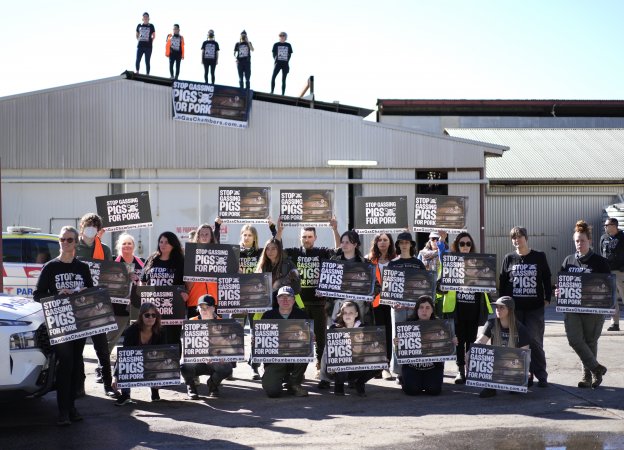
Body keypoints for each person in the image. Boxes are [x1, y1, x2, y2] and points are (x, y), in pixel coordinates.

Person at [33, 226, 94, 426]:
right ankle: (63, 411)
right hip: (59, 323)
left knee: (76, 364)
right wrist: (57, 295)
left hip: (80, 322)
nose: (65, 242)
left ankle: (72, 408)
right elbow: (37, 294)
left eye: (69, 240)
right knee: (65, 364)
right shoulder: (50, 267)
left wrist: (84, 291)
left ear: (75, 243)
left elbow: (92, 294)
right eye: (62, 239)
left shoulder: (82, 268)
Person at [276, 218, 340, 376]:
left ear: (315, 238)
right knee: (299, 338)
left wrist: (334, 229)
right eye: (304, 236)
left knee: (320, 337)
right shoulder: (294, 253)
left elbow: (339, 250)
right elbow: (276, 250)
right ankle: (299, 369)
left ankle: (320, 364)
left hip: (319, 303)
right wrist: (280, 231)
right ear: (300, 238)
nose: (307, 239)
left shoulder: (322, 252)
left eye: (310, 236)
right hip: (298, 304)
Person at [559, 220, 610, 388]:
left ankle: (587, 377)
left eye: (582, 240)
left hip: (593, 309)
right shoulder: (569, 260)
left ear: (590, 241)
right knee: (574, 339)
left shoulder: (599, 262)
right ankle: (596, 368)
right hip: (572, 308)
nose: (579, 244)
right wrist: (558, 291)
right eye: (576, 241)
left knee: (590, 341)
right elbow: (561, 282)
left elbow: (607, 286)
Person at [499, 226, 551, 388]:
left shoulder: (539, 256)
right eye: (514, 238)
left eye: (519, 237)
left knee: (535, 341)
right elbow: (503, 282)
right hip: (514, 309)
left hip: (534, 307)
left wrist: (547, 298)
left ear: (526, 238)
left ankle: (541, 375)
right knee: (515, 342)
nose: (517, 240)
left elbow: (546, 278)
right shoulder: (509, 258)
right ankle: (523, 375)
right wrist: (502, 305)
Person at [442, 232, 492, 384]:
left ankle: (471, 368)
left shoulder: (480, 262)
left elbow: (488, 285)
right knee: (459, 341)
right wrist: (442, 287)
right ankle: (460, 371)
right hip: (456, 310)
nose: (465, 246)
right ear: (457, 245)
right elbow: (439, 286)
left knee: (471, 341)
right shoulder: (450, 262)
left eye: (468, 244)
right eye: (462, 244)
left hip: (474, 310)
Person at [74, 213, 115, 397]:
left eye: (94, 226)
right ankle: (79, 385)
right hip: (78, 303)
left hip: (98, 303)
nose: (91, 229)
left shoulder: (104, 249)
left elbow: (110, 273)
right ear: (82, 227)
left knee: (102, 348)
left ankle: (107, 384)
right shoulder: (74, 247)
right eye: (88, 225)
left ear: (99, 230)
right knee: (78, 348)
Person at [388, 231, 427, 381]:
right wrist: (392, 302)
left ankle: (412, 368)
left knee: (412, 338)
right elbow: (388, 288)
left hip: (414, 308)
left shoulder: (418, 263)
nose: (404, 245)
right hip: (397, 307)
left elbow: (425, 285)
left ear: (411, 244)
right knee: (397, 338)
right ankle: (399, 372)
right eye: (401, 242)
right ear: (398, 245)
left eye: (406, 242)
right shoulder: (393, 263)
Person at [475, 296, 531, 398]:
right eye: (497, 307)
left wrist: (525, 369)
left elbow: (524, 352)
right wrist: (470, 352)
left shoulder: (520, 328)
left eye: (502, 308)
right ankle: (490, 387)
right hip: (497, 360)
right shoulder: (491, 323)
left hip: (513, 361)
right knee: (484, 357)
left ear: (510, 310)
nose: (498, 310)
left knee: (517, 389)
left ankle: (514, 382)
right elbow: (480, 341)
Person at [401, 296, 456, 396]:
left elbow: (447, 348)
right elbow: (400, 353)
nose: (424, 311)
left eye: (427, 307)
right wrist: (397, 343)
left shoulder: (441, 325)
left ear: (432, 310)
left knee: (434, 390)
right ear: (416, 310)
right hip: (412, 367)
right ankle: (404, 378)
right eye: (421, 307)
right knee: (411, 390)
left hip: (433, 367)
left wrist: (452, 341)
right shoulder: (407, 325)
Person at [113, 303, 167, 405]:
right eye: (147, 315)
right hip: (134, 363)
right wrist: (115, 376)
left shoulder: (161, 331)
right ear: (141, 317)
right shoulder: (131, 331)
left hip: (152, 363)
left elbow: (163, 354)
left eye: (153, 315)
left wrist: (161, 378)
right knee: (125, 365)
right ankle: (125, 394)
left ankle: (155, 391)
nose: (150, 317)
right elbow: (123, 356)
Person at [320, 301, 378, 396]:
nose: (348, 315)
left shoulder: (365, 328)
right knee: (342, 357)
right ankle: (339, 384)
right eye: (345, 313)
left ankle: (359, 383)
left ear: (356, 314)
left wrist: (380, 357)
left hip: (358, 367)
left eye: (351, 312)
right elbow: (328, 352)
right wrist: (329, 364)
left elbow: (373, 346)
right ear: (341, 314)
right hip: (338, 370)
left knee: (380, 363)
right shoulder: (333, 328)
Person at [260, 286, 310, 397]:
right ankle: (271, 376)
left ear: (294, 299)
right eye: (281, 297)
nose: (285, 300)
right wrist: (257, 341)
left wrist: (312, 337)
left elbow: (308, 338)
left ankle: (294, 383)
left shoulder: (302, 315)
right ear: (277, 300)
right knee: (273, 392)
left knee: (306, 349)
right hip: (275, 360)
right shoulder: (268, 315)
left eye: (288, 297)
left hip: (295, 357)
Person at [181, 295, 233, 399]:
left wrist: (219, 357)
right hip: (197, 361)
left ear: (214, 308)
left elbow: (228, 347)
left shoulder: (223, 323)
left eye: (207, 307)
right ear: (197, 309)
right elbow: (186, 347)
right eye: (201, 307)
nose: (204, 310)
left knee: (227, 367)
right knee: (184, 365)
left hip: (215, 361)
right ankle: (191, 386)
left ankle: (213, 384)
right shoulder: (191, 322)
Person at [141, 231, 187, 346]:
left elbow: (187, 283)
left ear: (173, 244)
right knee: (154, 336)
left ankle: (174, 362)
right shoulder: (152, 259)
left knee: (172, 337)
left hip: (173, 306)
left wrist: (186, 293)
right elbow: (143, 281)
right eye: (161, 242)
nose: (163, 245)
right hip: (153, 306)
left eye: (166, 242)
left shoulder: (180, 261)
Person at [108, 233, 144, 362]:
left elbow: (146, 284)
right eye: (124, 243)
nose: (127, 246)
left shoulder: (141, 263)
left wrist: (138, 280)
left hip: (136, 305)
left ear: (134, 246)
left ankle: (132, 363)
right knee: (112, 337)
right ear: (119, 246)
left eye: (129, 243)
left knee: (138, 336)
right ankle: (103, 366)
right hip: (118, 306)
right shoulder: (113, 262)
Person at [327, 230, 375, 326]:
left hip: (360, 305)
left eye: (347, 242)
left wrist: (372, 294)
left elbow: (375, 285)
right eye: (342, 242)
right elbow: (327, 283)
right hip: (338, 304)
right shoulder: (334, 262)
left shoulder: (365, 263)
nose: (344, 245)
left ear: (355, 244)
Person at [367, 232, 396, 380]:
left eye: (385, 240)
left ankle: (386, 366)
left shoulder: (396, 260)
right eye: (380, 240)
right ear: (376, 243)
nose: (383, 242)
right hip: (376, 302)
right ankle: (377, 367)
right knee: (377, 334)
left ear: (390, 242)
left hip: (391, 302)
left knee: (389, 334)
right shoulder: (370, 260)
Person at [186, 222, 220, 318]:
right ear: (198, 236)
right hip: (195, 301)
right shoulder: (190, 255)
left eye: (207, 234)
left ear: (211, 237)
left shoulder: (219, 255)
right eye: (201, 234)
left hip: (214, 301)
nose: (204, 237)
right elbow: (188, 285)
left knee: (215, 332)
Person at [600, 217, 624, 331]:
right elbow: (602, 253)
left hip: (621, 272)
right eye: (605, 225)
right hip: (608, 272)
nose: (605, 227)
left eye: (607, 225)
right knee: (612, 299)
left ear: (614, 226)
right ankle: (615, 323)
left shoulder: (623, 237)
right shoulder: (603, 238)